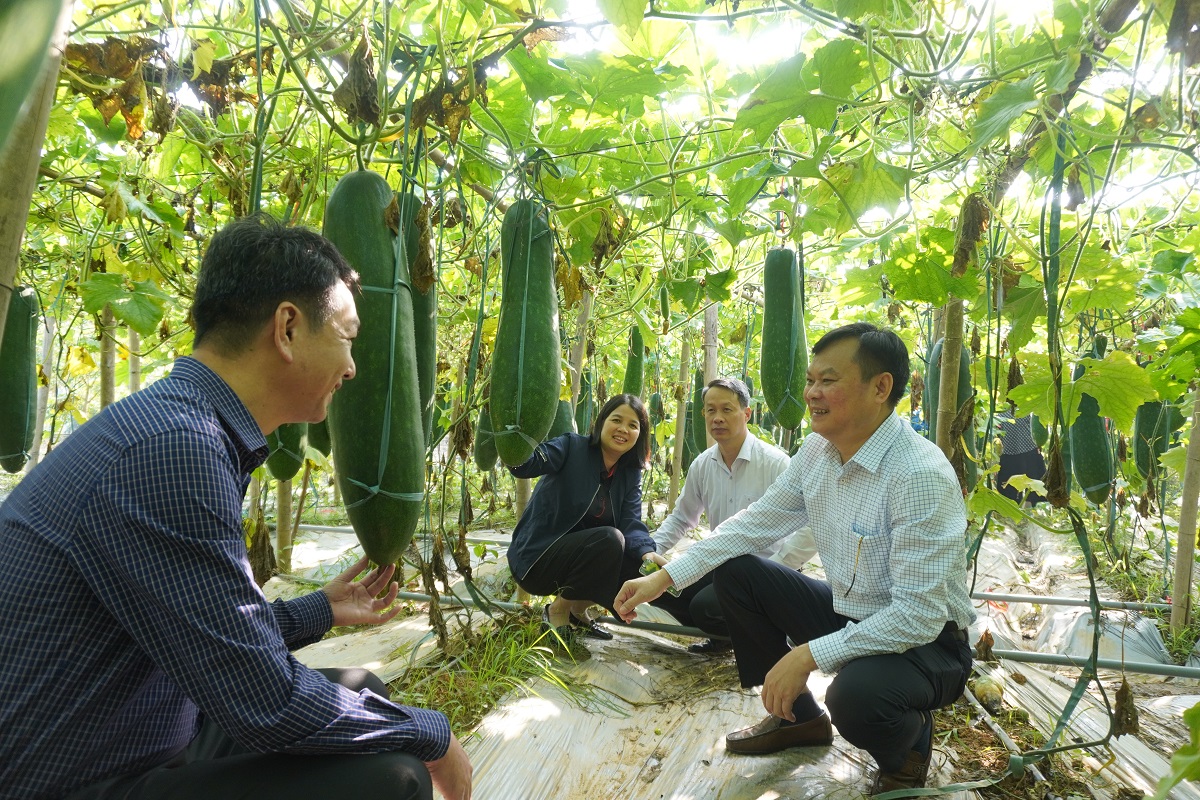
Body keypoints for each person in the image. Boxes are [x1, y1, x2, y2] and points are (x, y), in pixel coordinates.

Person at [0, 215, 471, 800]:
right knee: (390, 779)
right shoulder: (177, 450)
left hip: (138, 727)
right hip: (77, 779)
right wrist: (435, 735)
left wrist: (319, 610)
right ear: (288, 329)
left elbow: (211, 637)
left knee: (364, 687)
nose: (352, 367)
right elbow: (264, 701)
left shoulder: (182, 426)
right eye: (347, 338)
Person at [615, 323, 975, 795]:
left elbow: (918, 616)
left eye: (828, 380)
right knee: (739, 570)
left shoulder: (918, 474)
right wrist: (663, 578)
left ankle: (909, 745)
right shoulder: (817, 453)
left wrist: (807, 655)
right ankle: (800, 720)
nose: (811, 393)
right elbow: (752, 525)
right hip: (852, 614)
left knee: (855, 698)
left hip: (927, 645)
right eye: (810, 380)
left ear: (880, 387)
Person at [645, 377, 816, 654]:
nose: (717, 418)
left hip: (766, 570)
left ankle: (768, 637)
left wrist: (777, 568)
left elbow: (809, 527)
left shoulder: (775, 463)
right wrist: (649, 551)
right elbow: (681, 518)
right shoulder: (703, 464)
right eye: (710, 410)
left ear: (746, 414)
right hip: (720, 566)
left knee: (705, 607)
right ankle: (726, 636)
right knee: (656, 584)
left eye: (727, 409)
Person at [507, 393, 654, 642]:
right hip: (538, 558)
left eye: (633, 425)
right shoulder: (571, 446)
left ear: (641, 433)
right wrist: (512, 433)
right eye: (616, 420)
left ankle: (577, 611)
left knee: (640, 565)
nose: (623, 429)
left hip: (579, 560)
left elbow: (631, 522)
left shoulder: (630, 473)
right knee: (610, 539)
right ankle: (557, 612)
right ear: (601, 422)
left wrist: (648, 554)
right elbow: (525, 465)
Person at [994, 406, 1046, 506]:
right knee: (1013, 488)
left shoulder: (1002, 412)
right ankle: (1021, 511)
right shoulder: (1002, 412)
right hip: (1015, 452)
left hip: (1023, 451)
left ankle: (1028, 511)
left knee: (1031, 486)